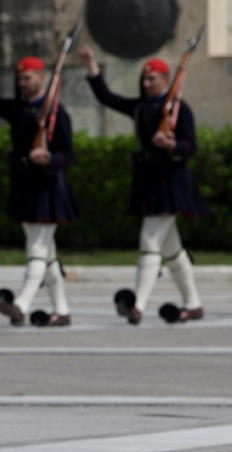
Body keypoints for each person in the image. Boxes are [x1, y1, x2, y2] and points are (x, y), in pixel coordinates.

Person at [0, 47, 80, 328]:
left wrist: (50, 159)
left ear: (42, 79)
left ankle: (21, 304)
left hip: (47, 185)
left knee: (37, 248)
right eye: (20, 79)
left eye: (28, 79)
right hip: (25, 183)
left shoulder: (57, 112)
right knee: (46, 252)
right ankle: (62, 310)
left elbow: (67, 153)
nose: (22, 84)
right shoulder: (19, 110)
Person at [79, 45, 207, 325]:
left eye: (152, 79)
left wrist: (172, 145)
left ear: (166, 80)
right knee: (171, 250)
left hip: (170, 179)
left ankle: (137, 304)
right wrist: (91, 66)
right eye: (144, 79)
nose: (146, 83)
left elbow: (190, 146)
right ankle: (194, 304)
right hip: (148, 178)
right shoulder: (140, 107)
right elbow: (107, 97)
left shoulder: (178, 108)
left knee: (150, 241)